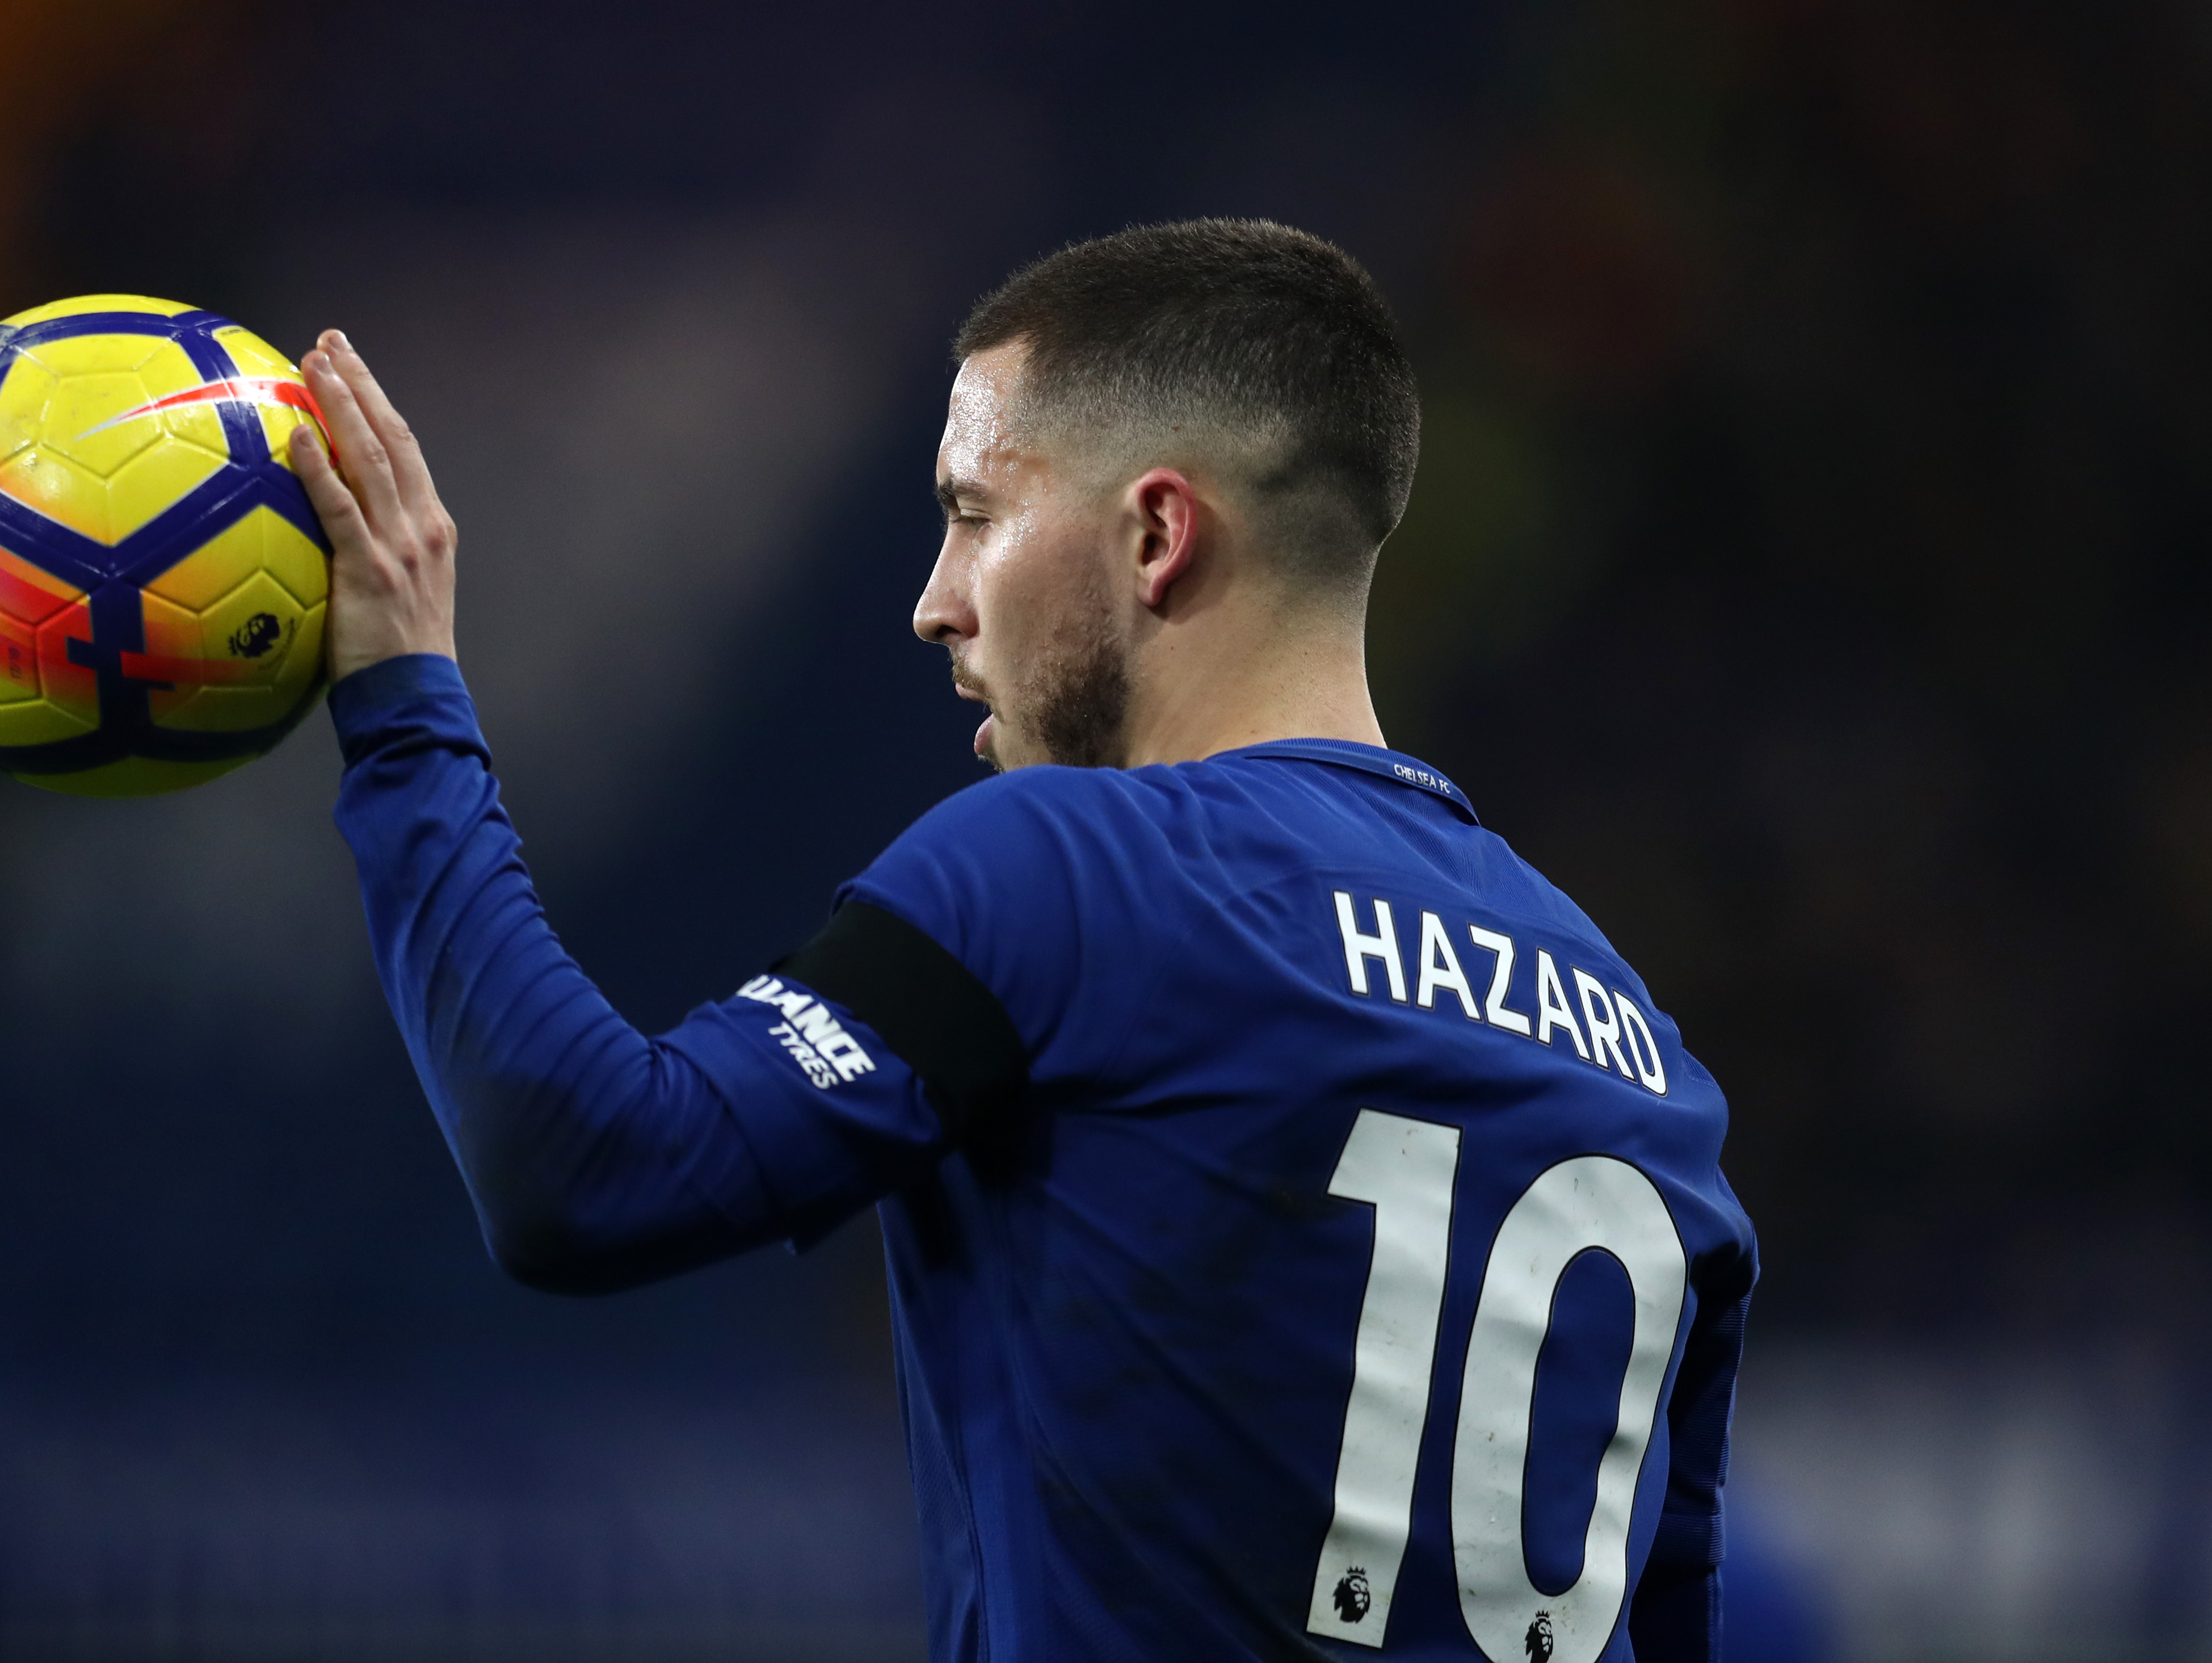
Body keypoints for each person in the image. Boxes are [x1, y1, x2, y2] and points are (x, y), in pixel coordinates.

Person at [286, 219, 1756, 1663]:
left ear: (1158, 536)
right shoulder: (1646, 1059)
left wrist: (406, 707)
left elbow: (587, 1169)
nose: (935, 604)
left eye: (976, 513)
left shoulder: (1077, 871)